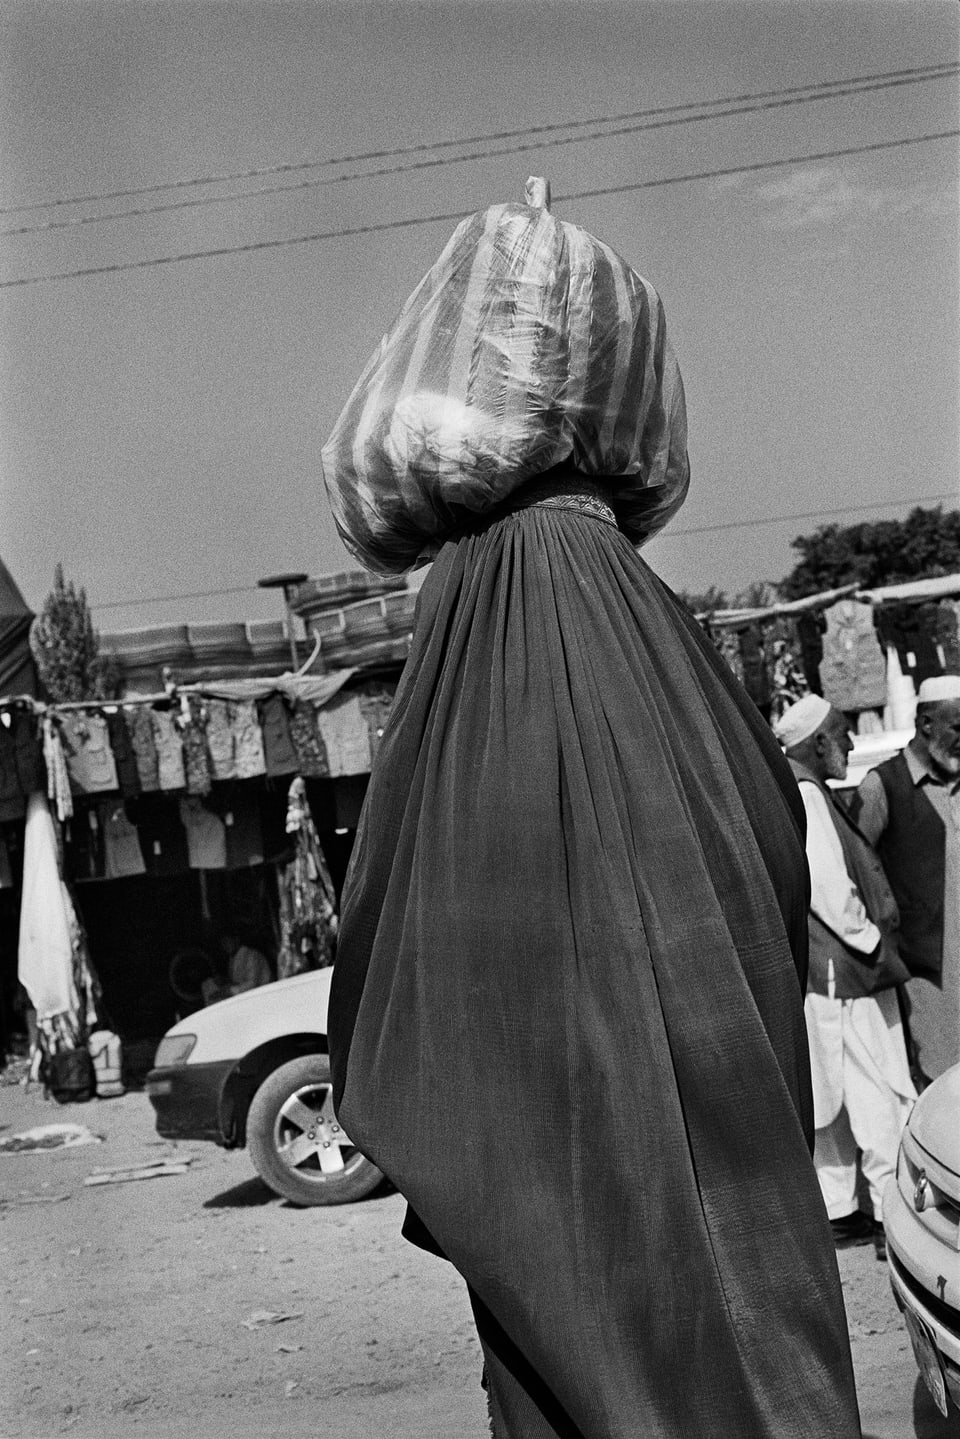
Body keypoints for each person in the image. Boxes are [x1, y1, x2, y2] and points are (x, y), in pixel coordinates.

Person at [323, 199, 861, 1436]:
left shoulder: (526, 646)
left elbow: (433, 1048)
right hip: (732, 1296)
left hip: (635, 1330)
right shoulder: (671, 666)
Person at [774, 695, 915, 1253]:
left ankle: (840, 1210)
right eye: (843, 735)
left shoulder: (792, 787)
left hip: (821, 975)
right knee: (878, 1090)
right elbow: (831, 890)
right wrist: (873, 941)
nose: (852, 747)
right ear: (821, 742)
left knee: (832, 1091)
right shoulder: (807, 794)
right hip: (850, 972)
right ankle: (889, 1213)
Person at [849, 673, 960, 1084]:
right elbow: (855, 870)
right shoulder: (884, 786)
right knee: (942, 1083)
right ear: (926, 723)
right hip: (927, 973)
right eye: (957, 727)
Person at [201, 930, 272, 1005]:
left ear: (236, 940)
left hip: (261, 995)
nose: (225, 946)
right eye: (223, 944)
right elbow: (236, 981)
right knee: (208, 984)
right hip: (244, 996)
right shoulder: (233, 958)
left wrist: (228, 991)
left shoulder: (252, 955)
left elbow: (252, 983)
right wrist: (224, 980)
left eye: (227, 942)